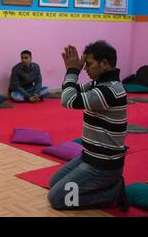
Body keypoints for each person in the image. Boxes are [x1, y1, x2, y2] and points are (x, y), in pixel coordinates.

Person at [48, 41, 130, 212]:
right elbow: (68, 90)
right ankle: (106, 187)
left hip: (103, 166)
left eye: (89, 64)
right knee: (53, 183)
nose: (85, 69)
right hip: (89, 157)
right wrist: (72, 73)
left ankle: (112, 193)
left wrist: (72, 71)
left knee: (56, 199)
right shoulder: (97, 85)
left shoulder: (109, 91)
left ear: (104, 64)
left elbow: (68, 100)